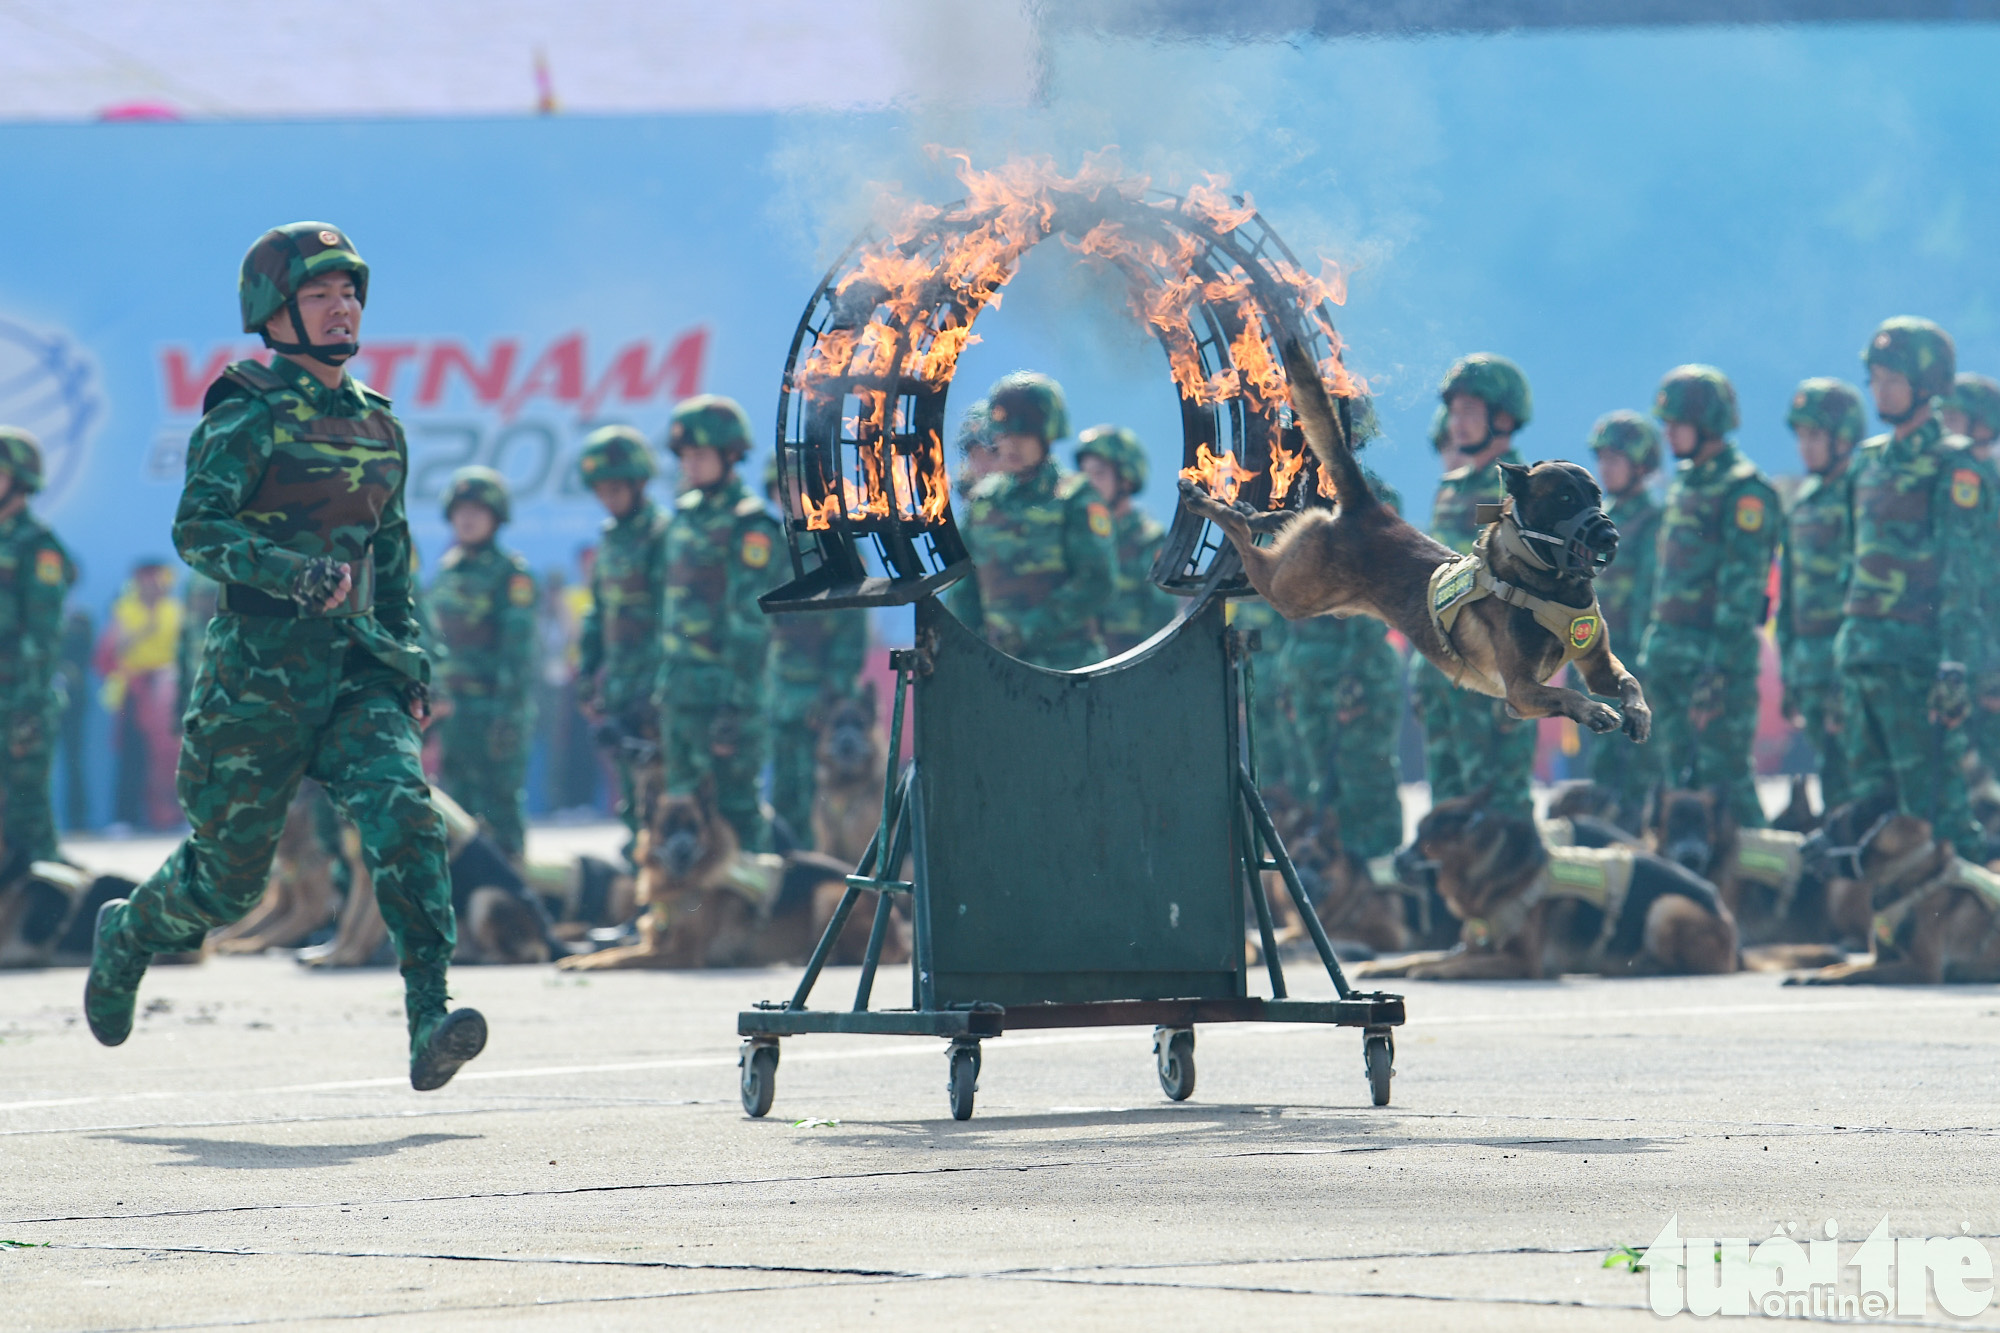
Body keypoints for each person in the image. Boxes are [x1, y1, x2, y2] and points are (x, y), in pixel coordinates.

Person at [84, 222, 483, 1090]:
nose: (341, 308)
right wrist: (291, 573)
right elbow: (199, 528)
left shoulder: (382, 425)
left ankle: (429, 1017)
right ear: (274, 311)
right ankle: (129, 934)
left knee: (406, 817)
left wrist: (411, 664)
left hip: (357, 673)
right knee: (226, 884)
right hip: (257, 677)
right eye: (318, 294)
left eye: (349, 293)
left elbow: (396, 559)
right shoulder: (247, 407)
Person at [1837, 318, 1994, 852]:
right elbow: (1850, 560)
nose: (1880, 389)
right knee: (1877, 815)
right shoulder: (1865, 462)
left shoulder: (1956, 465)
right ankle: (1892, 934)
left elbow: (1962, 575)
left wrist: (1955, 666)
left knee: (1940, 815)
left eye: (1892, 378)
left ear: (1927, 385)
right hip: (1862, 657)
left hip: (1917, 665)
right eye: (1875, 378)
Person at [1640, 364, 1781, 829]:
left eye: (1676, 424)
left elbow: (1741, 592)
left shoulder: (1744, 490)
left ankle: (1767, 891)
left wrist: (1716, 668)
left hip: (1714, 667)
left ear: (1708, 424)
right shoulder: (1683, 484)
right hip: (1670, 661)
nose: (1668, 435)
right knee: (1679, 788)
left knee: (1727, 785)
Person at [1410, 355, 1538, 820]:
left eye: (1469, 411)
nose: (1456, 422)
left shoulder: (1524, 490)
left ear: (1501, 418)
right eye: (1454, 411)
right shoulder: (1450, 488)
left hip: (1494, 669)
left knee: (1496, 808)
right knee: (1447, 803)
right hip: (1444, 665)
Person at [1275, 421, 1408, 859]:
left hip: (1357, 671)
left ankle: (1383, 895)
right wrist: (1286, 674)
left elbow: (1380, 594)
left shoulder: (1375, 503)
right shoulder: (1292, 498)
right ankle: (1339, 903)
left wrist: (1355, 676)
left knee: (1363, 783)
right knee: (1319, 789)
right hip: (1307, 670)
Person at [659, 395, 784, 851]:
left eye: (700, 455)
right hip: (681, 694)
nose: (690, 464)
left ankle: (755, 920)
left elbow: (749, 623)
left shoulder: (749, 526)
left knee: (734, 812)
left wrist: (734, 704)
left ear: (730, 455)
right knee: (680, 811)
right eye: (684, 456)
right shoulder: (683, 517)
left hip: (727, 696)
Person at [947, 372, 1115, 670]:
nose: (1010, 446)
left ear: (1047, 435)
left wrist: (1028, 630)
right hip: (996, 668)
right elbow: (964, 587)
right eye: (1003, 435)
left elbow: (1096, 581)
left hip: (1067, 668)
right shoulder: (983, 503)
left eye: (1022, 435)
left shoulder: (1076, 499)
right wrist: (963, 647)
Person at [429, 466, 538, 860]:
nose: (468, 519)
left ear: (496, 518)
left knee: (501, 811)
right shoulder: (445, 572)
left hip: (494, 711)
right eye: (460, 511)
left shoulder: (511, 575)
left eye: (478, 510)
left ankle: (512, 905)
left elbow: (518, 654)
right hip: (454, 713)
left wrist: (506, 717)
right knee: (454, 812)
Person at [574, 425, 670, 858]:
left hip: (656, 692)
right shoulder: (610, 540)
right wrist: (587, 673)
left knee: (663, 797)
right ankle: (642, 902)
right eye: (601, 489)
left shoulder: (663, 537)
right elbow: (598, 613)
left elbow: (674, 617)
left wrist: (660, 688)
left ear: (638, 483)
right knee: (632, 802)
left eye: (616, 487)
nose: (608, 497)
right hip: (620, 691)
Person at [762, 454, 867, 848]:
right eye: (779, 489)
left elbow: (850, 631)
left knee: (817, 805)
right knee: (782, 799)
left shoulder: (835, 549)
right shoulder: (771, 549)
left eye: (795, 487)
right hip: (779, 700)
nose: (787, 497)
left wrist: (833, 698)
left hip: (818, 707)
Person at [1775, 378, 1866, 811]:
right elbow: (1789, 594)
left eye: (1815, 435)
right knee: (1829, 771)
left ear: (1844, 438)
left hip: (1845, 659)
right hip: (1808, 661)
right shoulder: (1804, 501)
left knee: (1858, 773)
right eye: (1801, 437)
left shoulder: (1860, 495)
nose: (1805, 447)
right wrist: (1788, 664)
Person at [1583, 411, 1664, 823]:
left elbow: (1652, 594)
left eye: (1617, 458)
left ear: (1641, 465)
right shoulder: (1597, 520)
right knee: (1600, 761)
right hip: (1595, 659)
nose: (1606, 467)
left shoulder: (1652, 522)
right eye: (1603, 458)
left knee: (1636, 766)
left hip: (1631, 659)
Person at [0, 428, 76, 863]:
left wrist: (26, 708)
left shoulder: (37, 547)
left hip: (18, 700)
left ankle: (50, 916)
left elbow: (43, 637)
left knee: (25, 820)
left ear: (21, 481)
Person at [94, 559, 183, 831]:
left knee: (173, 756)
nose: (152, 586)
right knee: (132, 754)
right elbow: (113, 650)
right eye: (146, 580)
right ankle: (125, 818)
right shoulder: (124, 609)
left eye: (157, 580)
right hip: (135, 691)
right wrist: (145, 629)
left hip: (168, 692)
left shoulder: (175, 610)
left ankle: (175, 817)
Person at [1075, 424, 1176, 655]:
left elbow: (1162, 623)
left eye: (1099, 473)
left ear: (1126, 480)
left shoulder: (1148, 541)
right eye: (1084, 473)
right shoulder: (1080, 536)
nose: (1089, 483)